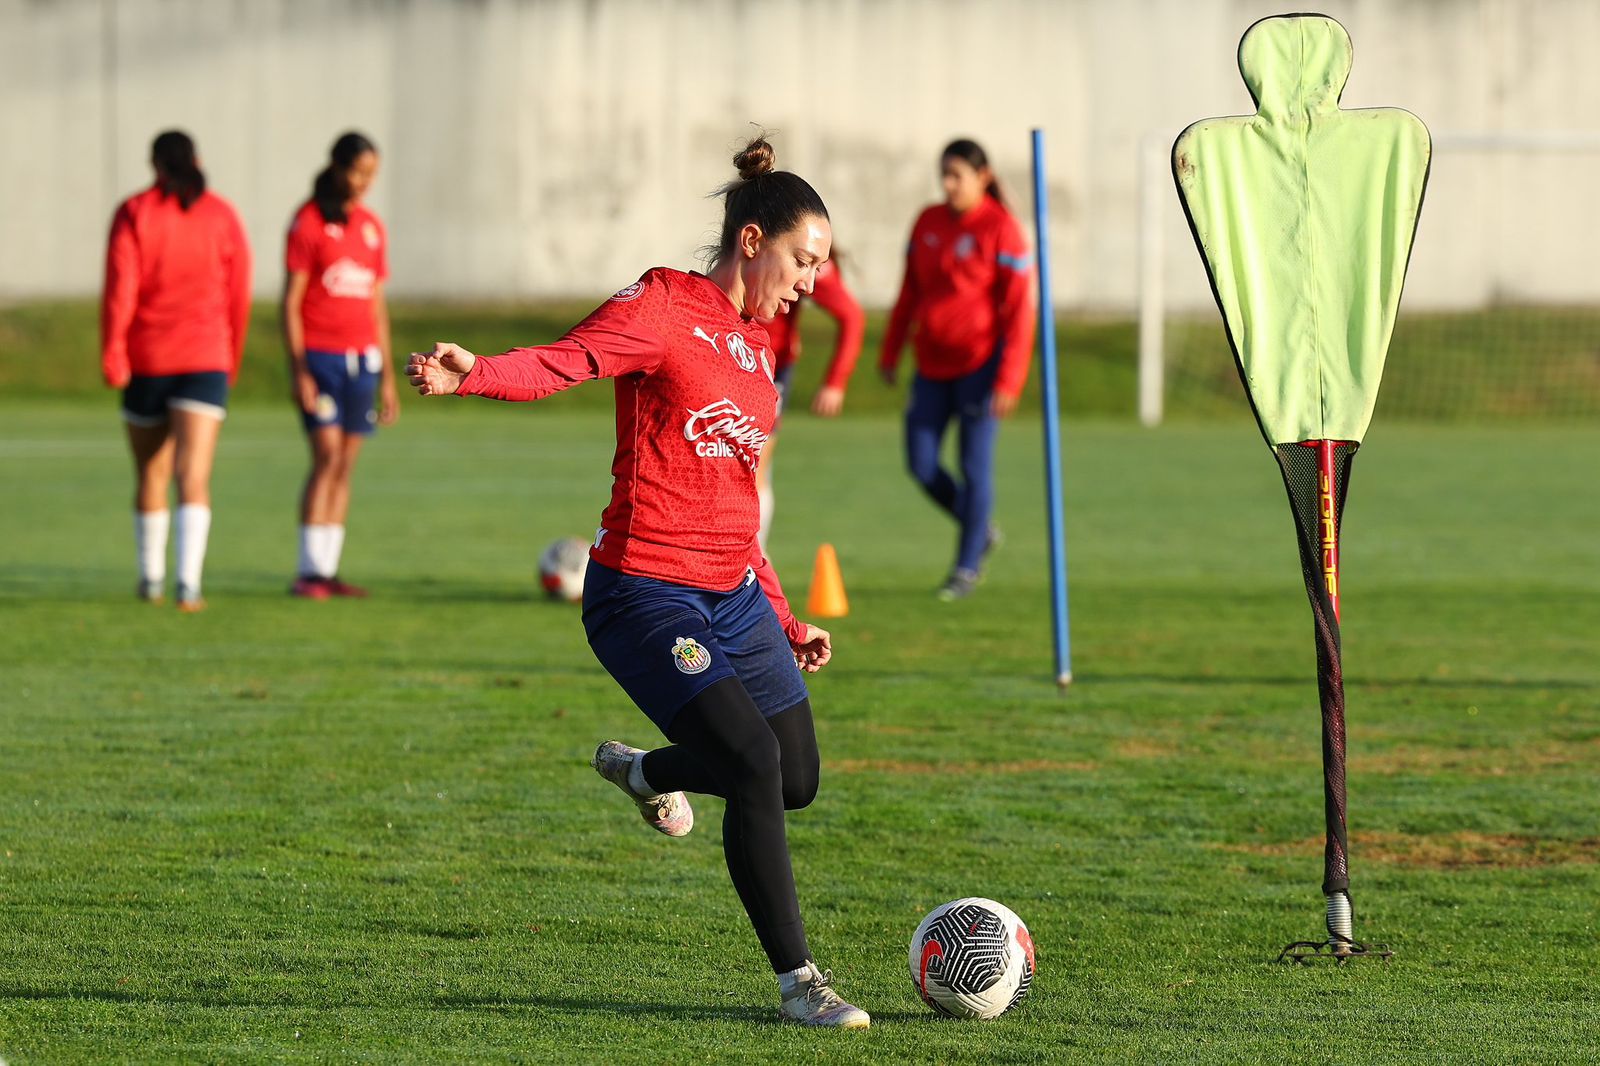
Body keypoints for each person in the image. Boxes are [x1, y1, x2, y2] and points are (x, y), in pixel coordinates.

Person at [406, 137, 869, 1030]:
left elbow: (737, 505)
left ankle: (646, 770)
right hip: (642, 593)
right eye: (804, 259)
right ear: (751, 240)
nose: (812, 280)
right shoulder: (663, 304)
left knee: (796, 776)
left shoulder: (760, 355)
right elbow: (566, 359)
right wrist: (479, 375)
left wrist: (784, 614)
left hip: (733, 595)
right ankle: (800, 984)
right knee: (754, 763)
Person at [101, 130, 252, 612]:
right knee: (194, 473)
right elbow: (239, 291)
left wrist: (113, 351)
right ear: (198, 161)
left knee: (150, 470)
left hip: (148, 358)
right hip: (206, 357)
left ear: (154, 164)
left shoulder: (135, 212)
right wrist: (234, 353)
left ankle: (151, 579)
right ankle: (188, 584)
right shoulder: (221, 214)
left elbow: (120, 287)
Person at [880, 138, 1036, 600]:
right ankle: (980, 529)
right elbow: (909, 292)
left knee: (974, 467)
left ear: (982, 177)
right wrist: (891, 350)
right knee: (922, 463)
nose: (948, 185)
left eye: (957, 176)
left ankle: (966, 567)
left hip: (980, 368)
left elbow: (1018, 314)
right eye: (943, 175)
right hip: (931, 366)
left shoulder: (1002, 229)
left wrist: (1009, 379)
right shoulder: (927, 222)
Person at [283, 131, 398, 599]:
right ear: (336, 167)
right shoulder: (308, 222)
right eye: (358, 171)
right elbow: (290, 303)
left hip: (363, 361)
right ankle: (307, 571)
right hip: (322, 359)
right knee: (326, 456)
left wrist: (389, 377)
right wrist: (299, 369)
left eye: (372, 173)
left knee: (346, 464)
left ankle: (327, 572)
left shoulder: (370, 227)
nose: (365, 182)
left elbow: (376, 307)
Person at [755, 257, 865, 548]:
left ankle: (755, 560)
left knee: (755, 467)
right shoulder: (742, 246)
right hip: (721, 356)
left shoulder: (801, 252)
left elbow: (851, 316)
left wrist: (835, 381)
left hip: (770, 368)